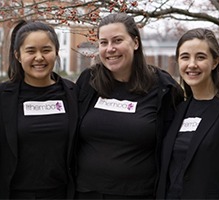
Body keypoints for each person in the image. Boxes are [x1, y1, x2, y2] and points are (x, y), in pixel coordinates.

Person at [74, 13, 184, 199]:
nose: (110, 49)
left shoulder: (163, 88)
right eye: (103, 42)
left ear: (135, 42)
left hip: (139, 194)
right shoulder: (88, 81)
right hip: (87, 192)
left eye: (117, 40)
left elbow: (172, 148)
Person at [0, 20, 78, 199]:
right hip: (14, 194)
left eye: (46, 50)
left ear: (56, 53)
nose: (39, 57)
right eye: (30, 51)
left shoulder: (73, 93)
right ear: (18, 55)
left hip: (61, 193)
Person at [156, 28, 219, 199]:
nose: (192, 64)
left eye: (201, 57)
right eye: (185, 57)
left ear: (215, 62)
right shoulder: (178, 109)